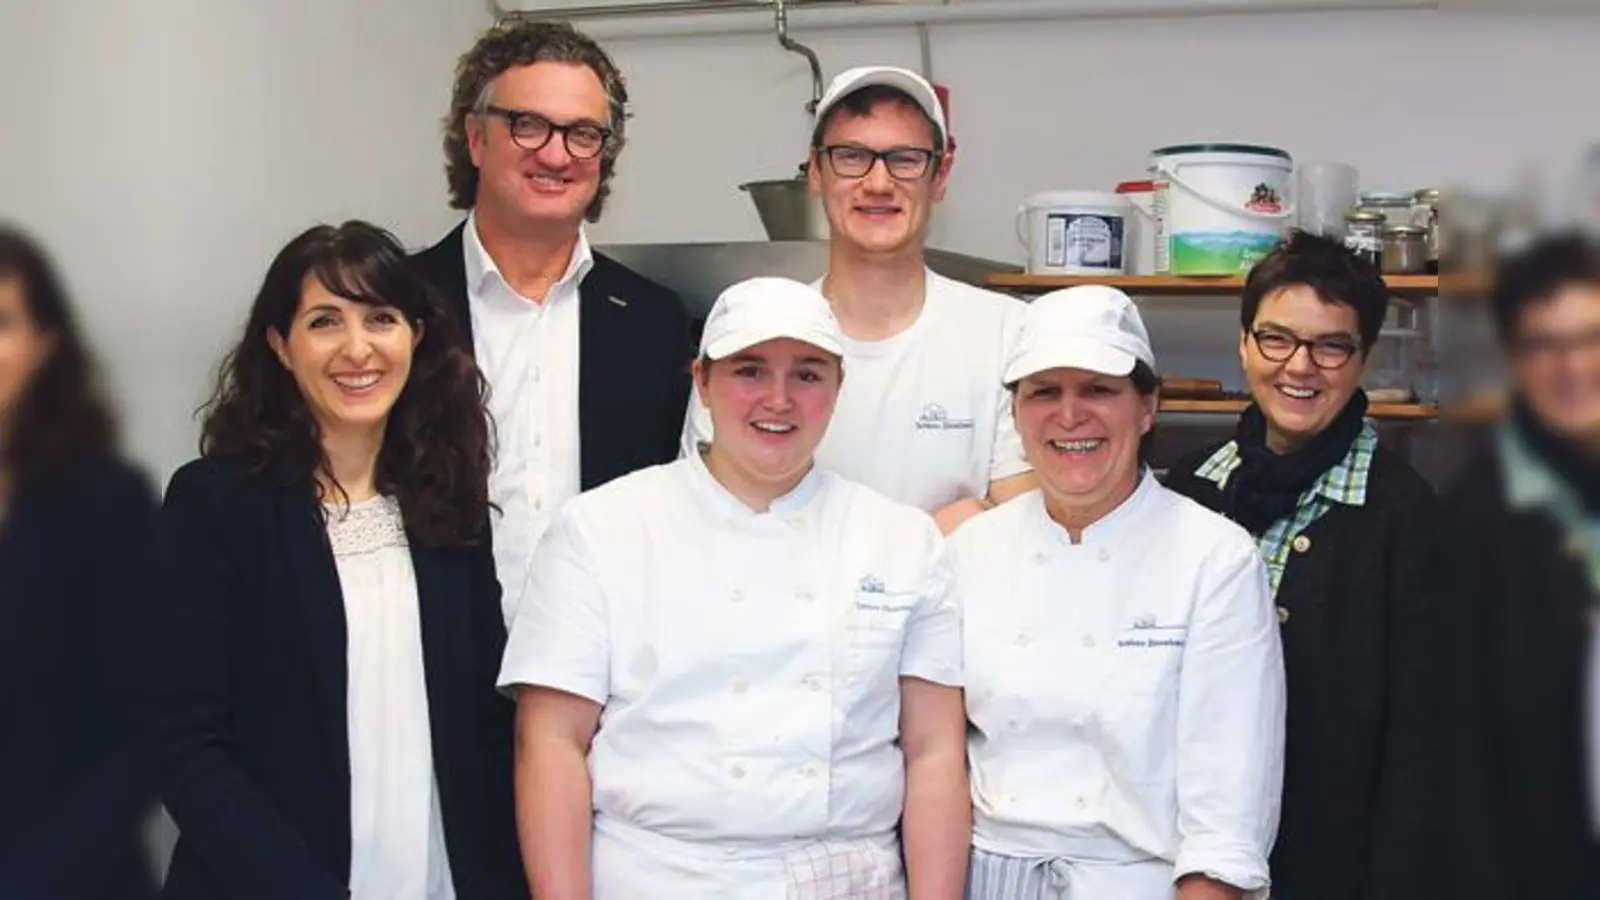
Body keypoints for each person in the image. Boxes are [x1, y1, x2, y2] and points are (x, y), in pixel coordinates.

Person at [500, 276, 970, 899]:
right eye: (750, 371)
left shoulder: (901, 540)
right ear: (702, 382)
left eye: (807, 375)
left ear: (837, 388)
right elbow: (551, 744)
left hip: (844, 880)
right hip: (664, 879)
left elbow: (934, 752)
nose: (778, 399)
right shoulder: (601, 531)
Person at [152, 221, 525, 899]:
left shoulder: (448, 502)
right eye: (325, 322)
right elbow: (185, 747)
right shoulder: (217, 504)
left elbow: (485, 726)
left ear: (415, 336)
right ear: (281, 346)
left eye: (381, 318)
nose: (358, 349)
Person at [953, 285, 1285, 899]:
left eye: (1098, 390)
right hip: (988, 880)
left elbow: (1228, 816)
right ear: (1017, 413)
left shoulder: (1214, 558)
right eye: (1044, 392)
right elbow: (935, 766)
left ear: (1147, 406)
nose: (1070, 415)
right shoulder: (970, 553)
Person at [1162, 230, 1433, 900]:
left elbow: (1422, 750)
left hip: (1331, 866)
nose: (1299, 366)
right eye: (1276, 338)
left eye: (1330, 345)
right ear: (1243, 344)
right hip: (1187, 862)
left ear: (1363, 358)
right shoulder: (1188, 492)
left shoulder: (1406, 516)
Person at [413, 19, 693, 623]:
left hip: (604, 677)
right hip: (430, 669)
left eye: (583, 133)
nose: (556, 153)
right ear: (476, 138)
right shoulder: (396, 307)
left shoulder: (654, 321)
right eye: (528, 124)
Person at [682, 65, 1032, 535]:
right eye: (852, 156)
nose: (879, 183)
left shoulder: (1009, 334)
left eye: (905, 158)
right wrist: (941, 529)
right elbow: (714, 519)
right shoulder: (755, 336)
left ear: (941, 173)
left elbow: (1024, 521)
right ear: (817, 172)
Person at [1435, 232, 1600, 900]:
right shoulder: (1474, 521)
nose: (1572, 365)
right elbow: (1461, 756)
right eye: (1543, 344)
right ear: (1513, 359)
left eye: (1590, 337)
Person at [0, 224, 161, 899]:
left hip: (69, 880)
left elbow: (147, 736)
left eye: (0, 323)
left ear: (46, 343)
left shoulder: (106, 503)